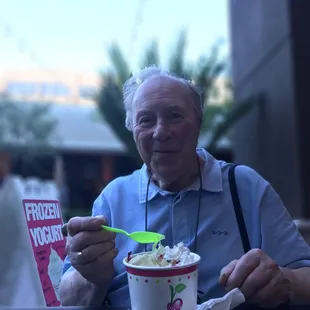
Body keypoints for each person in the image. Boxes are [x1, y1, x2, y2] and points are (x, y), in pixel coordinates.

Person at [59, 66, 310, 308]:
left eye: (175, 116)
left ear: (199, 123)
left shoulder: (245, 187)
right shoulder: (113, 198)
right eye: (146, 120)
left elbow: (306, 275)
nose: (160, 132)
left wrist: (284, 281)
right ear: (133, 131)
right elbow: (67, 298)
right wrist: (93, 277)